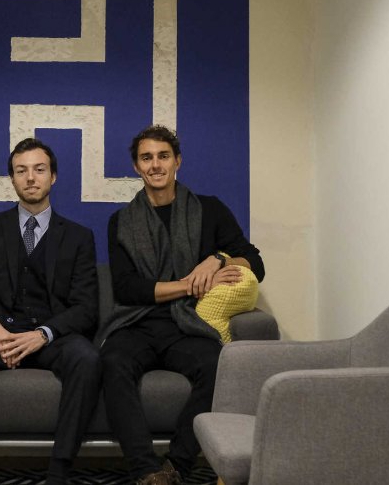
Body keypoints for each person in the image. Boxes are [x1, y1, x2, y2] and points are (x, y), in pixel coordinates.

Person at [99, 125, 265, 485]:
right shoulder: (121, 222)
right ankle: (146, 471)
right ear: (136, 166)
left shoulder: (210, 209)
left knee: (218, 363)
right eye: (146, 158)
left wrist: (218, 259)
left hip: (188, 323)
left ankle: (175, 467)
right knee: (112, 360)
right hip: (138, 322)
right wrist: (190, 283)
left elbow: (256, 263)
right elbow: (127, 289)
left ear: (178, 161)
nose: (155, 165)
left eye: (163, 156)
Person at [0, 137, 101, 485]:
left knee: (87, 359)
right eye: (21, 171)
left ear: (53, 176)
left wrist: (43, 334)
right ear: (12, 178)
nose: (30, 177)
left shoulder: (79, 236)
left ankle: (59, 472)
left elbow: (87, 307)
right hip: (0, 336)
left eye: (39, 169)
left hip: (51, 338)